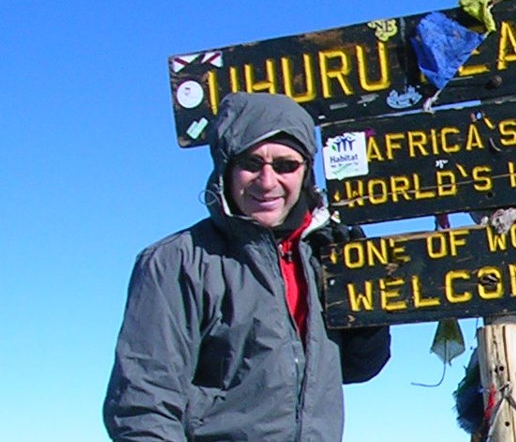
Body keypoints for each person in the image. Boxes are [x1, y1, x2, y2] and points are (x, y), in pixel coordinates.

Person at [104, 92, 391, 441]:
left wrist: (365, 309)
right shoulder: (177, 262)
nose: (267, 181)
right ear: (226, 168)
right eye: (251, 164)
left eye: (286, 165)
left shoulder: (324, 255)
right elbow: (143, 404)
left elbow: (357, 369)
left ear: (307, 172)